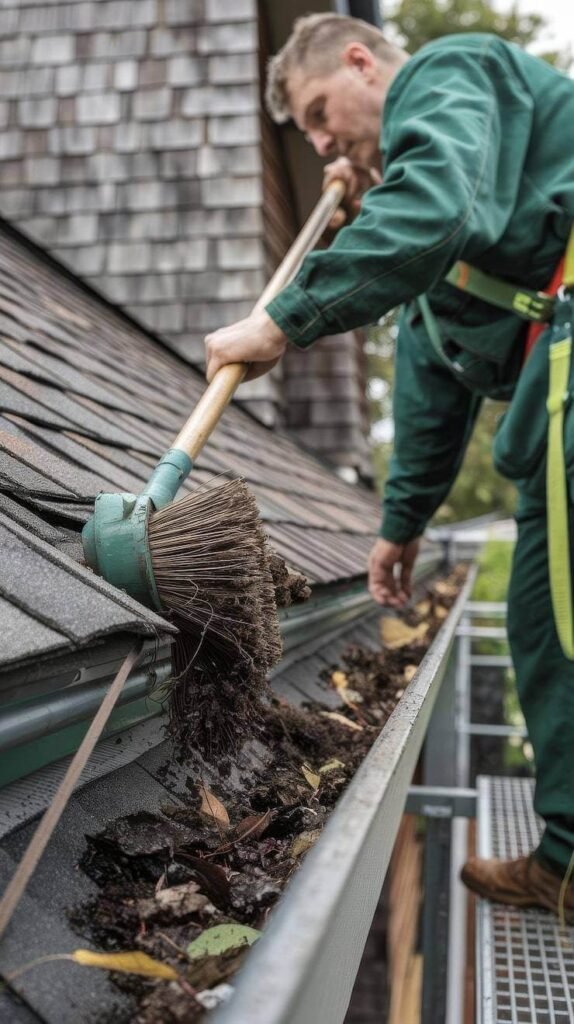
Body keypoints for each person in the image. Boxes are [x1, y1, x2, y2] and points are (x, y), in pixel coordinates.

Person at [205, 13, 574, 918]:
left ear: (364, 62)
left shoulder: (447, 75)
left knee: (565, 613)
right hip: (553, 413)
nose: (323, 142)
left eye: (321, 114)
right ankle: (568, 855)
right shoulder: (437, 244)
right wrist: (398, 531)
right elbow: (430, 390)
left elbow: (430, 204)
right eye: (310, 136)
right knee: (540, 618)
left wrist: (285, 317)